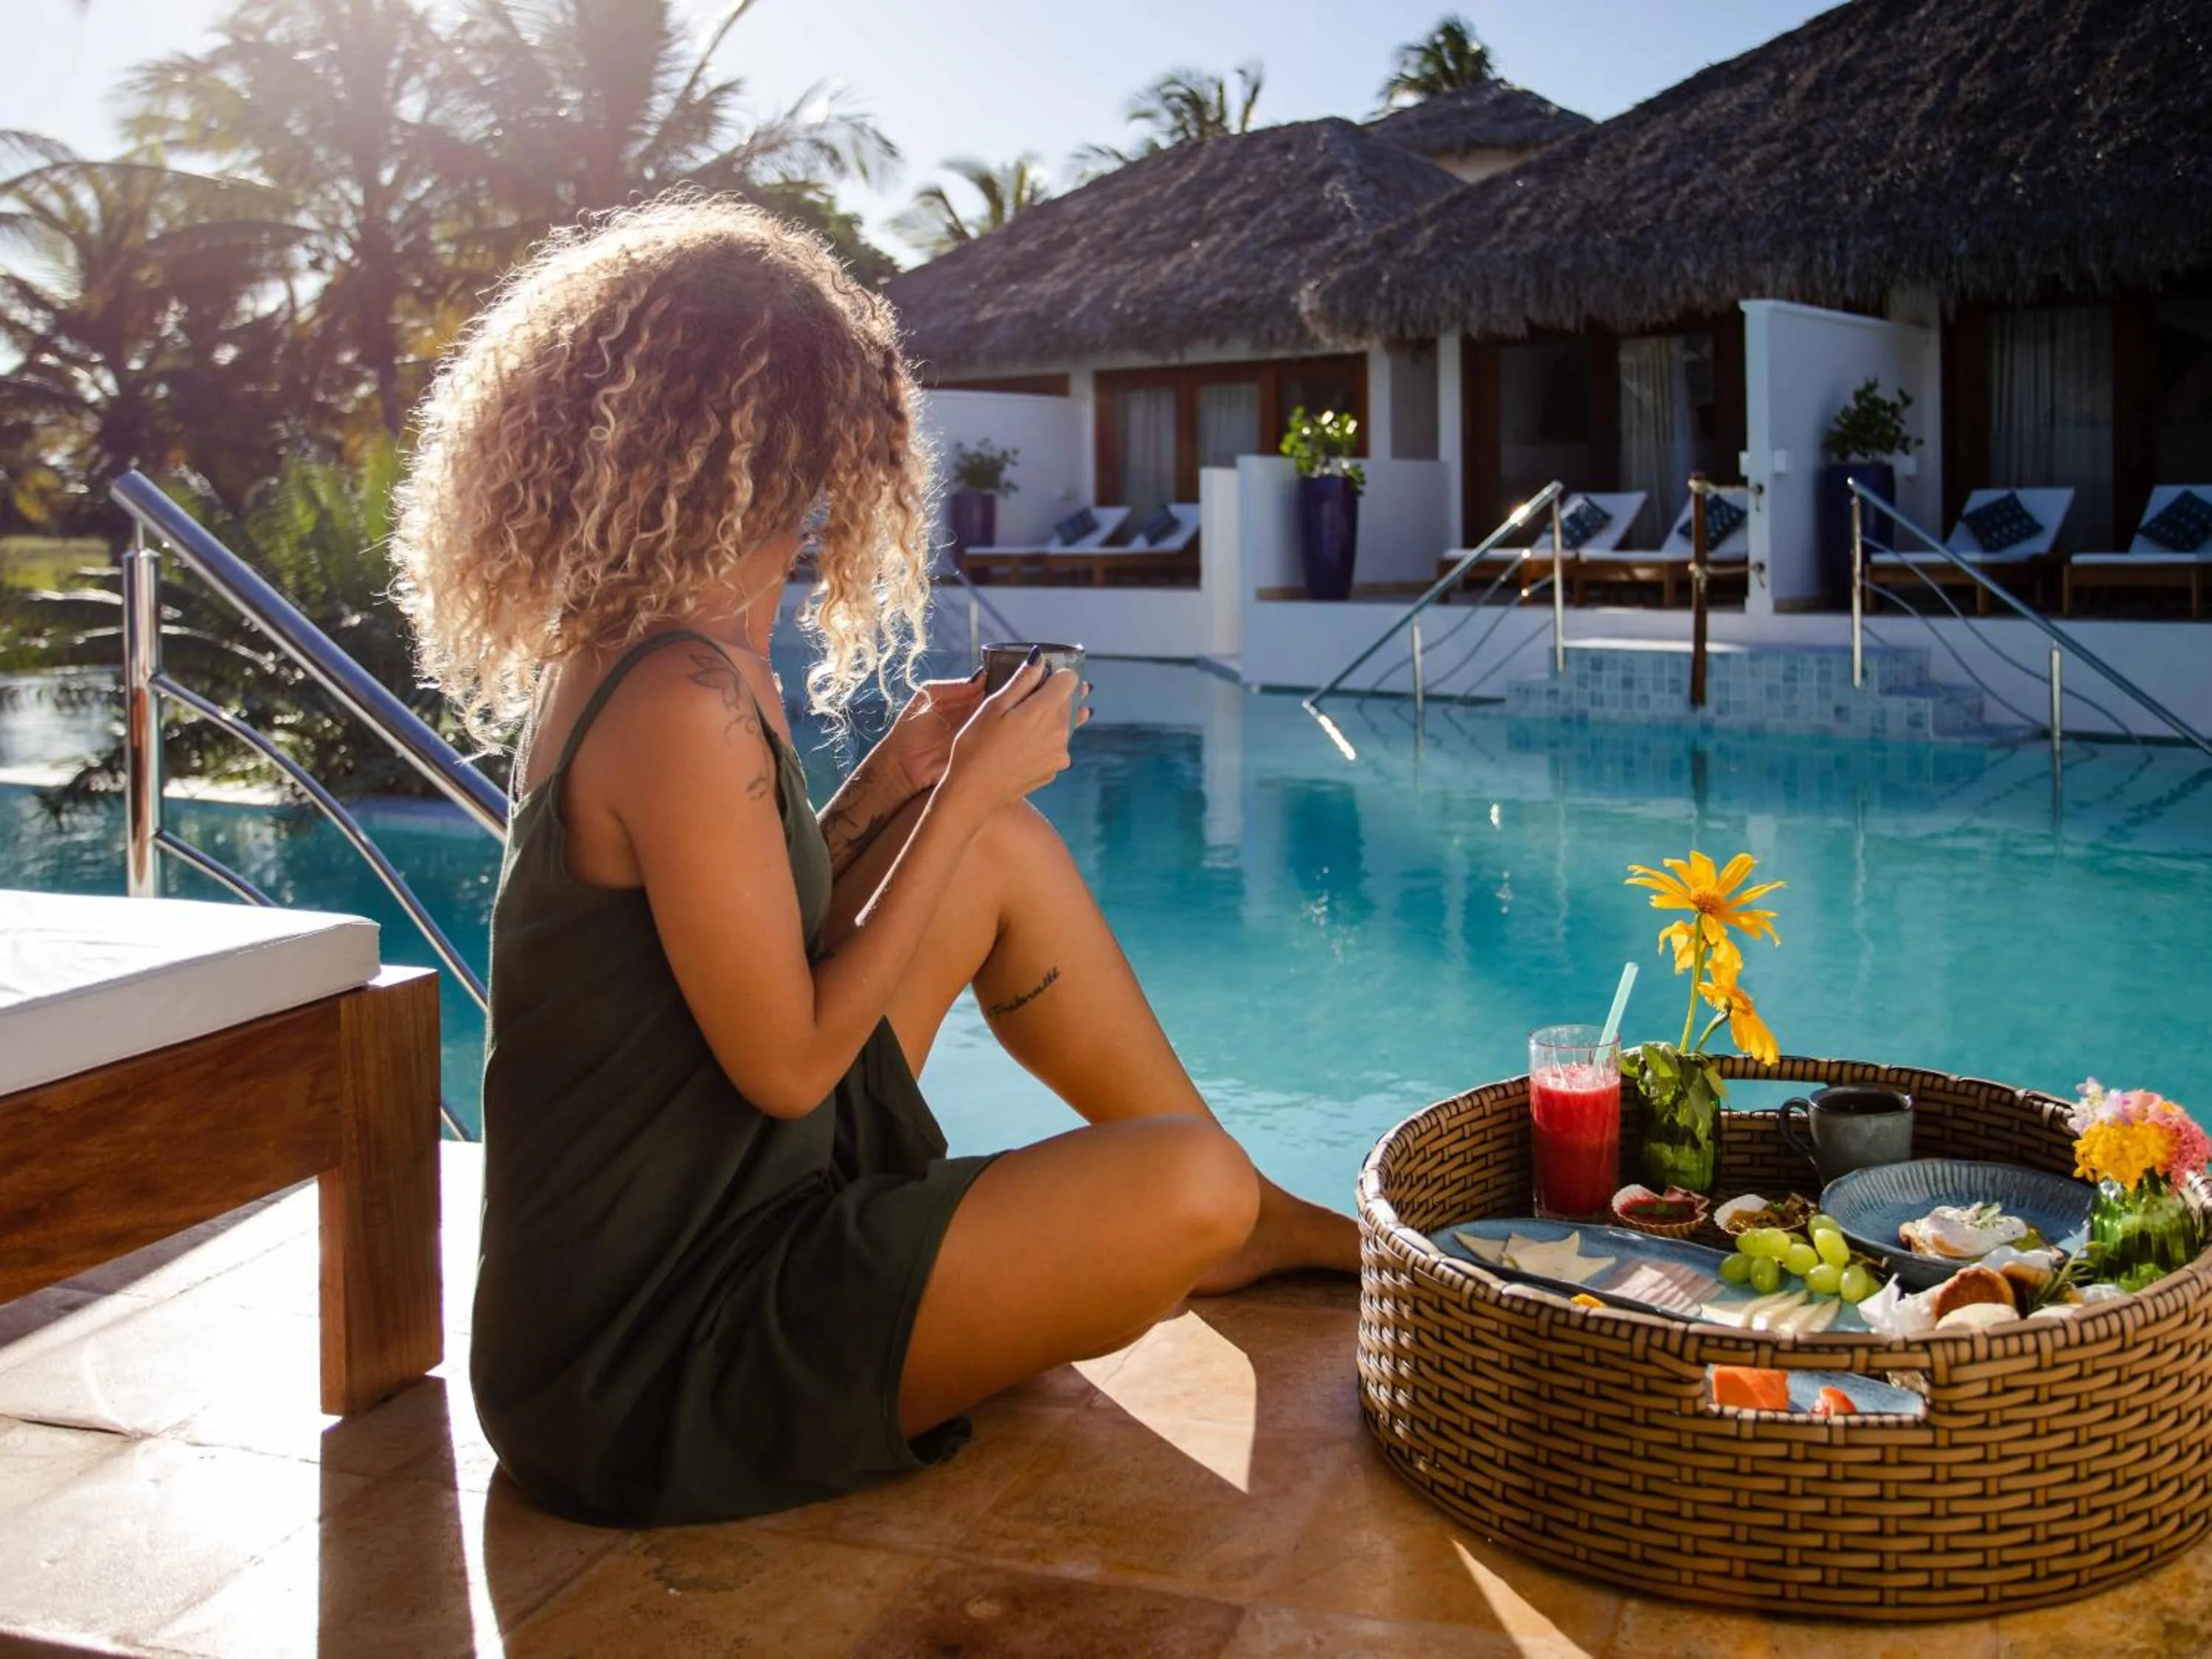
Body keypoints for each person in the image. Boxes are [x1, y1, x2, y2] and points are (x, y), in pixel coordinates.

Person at [390, 193, 1357, 1528]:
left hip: (722, 1189)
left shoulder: (659, 648)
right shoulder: (682, 694)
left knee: (995, 854)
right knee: (1175, 1173)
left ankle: (1248, 1219)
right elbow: (786, 1060)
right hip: (652, 1355)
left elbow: (730, 938)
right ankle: (1227, 1209)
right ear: (792, 433)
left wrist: (888, 795)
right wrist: (958, 794)